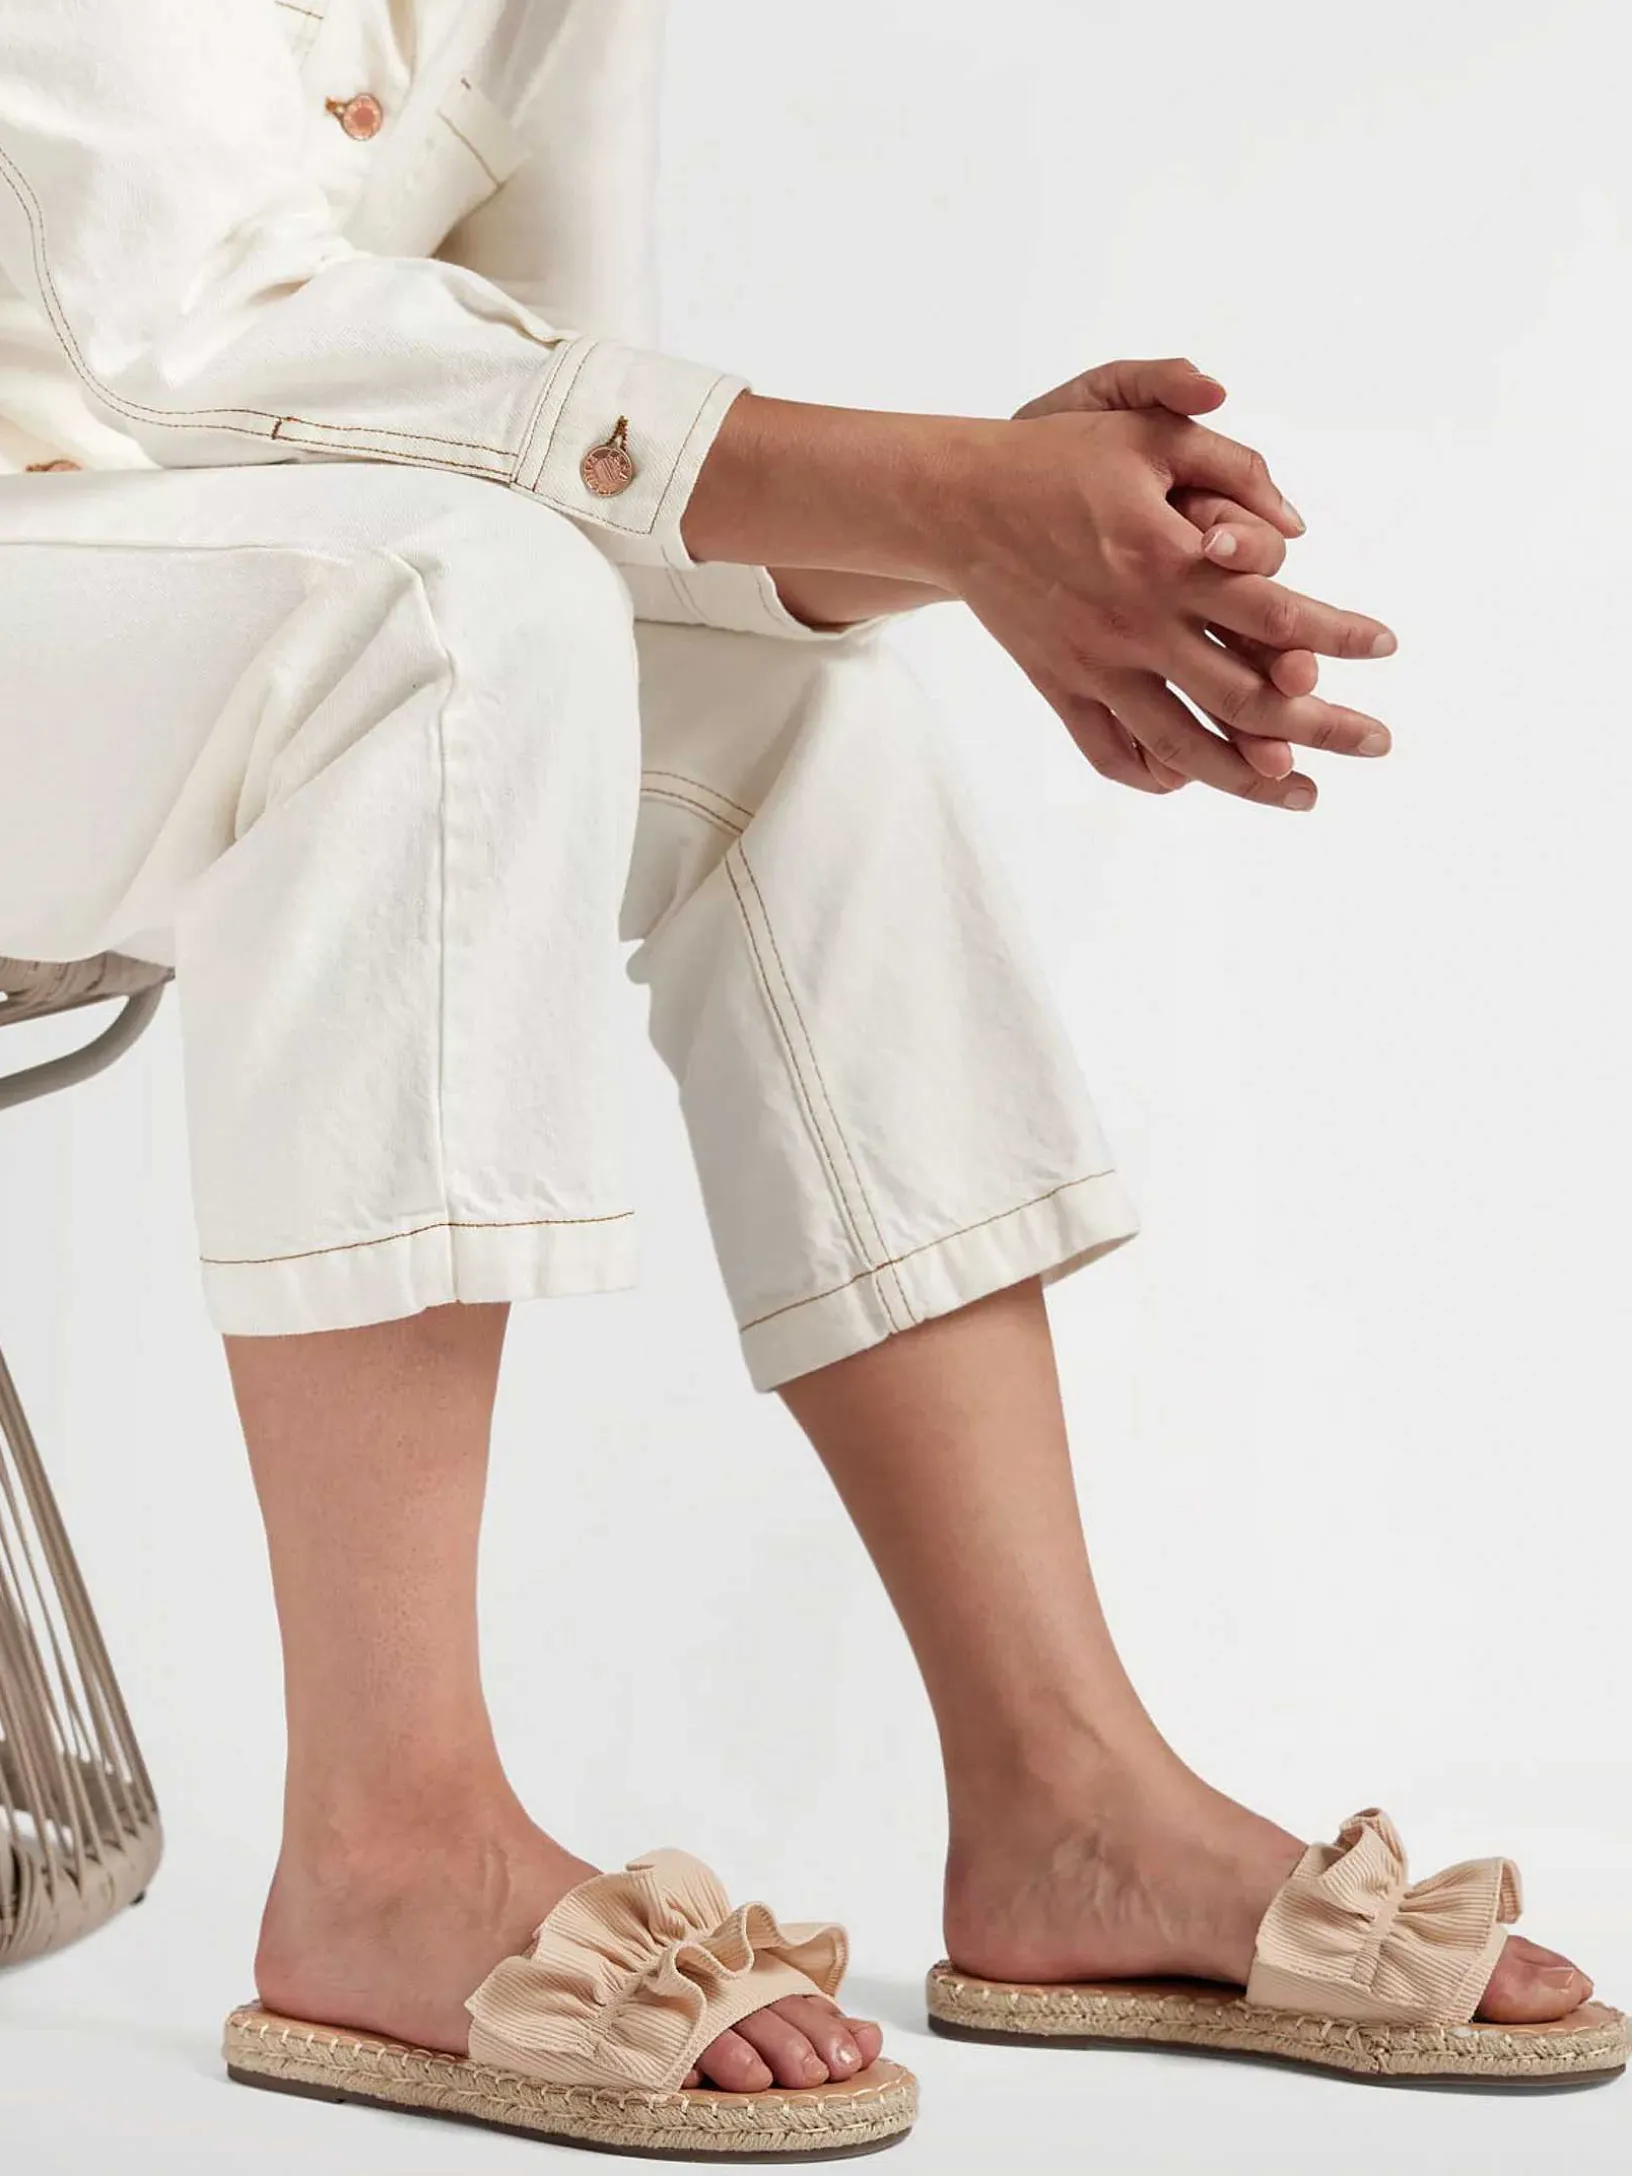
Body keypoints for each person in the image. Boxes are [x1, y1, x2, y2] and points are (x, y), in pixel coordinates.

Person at [0, 0, 1618, 2157]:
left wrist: (987, 542)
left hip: (151, 617)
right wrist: (942, 498)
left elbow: (563, 447)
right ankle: (388, 1836)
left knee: (793, 704)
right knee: (447, 614)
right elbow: (189, 339)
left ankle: (1066, 1791)